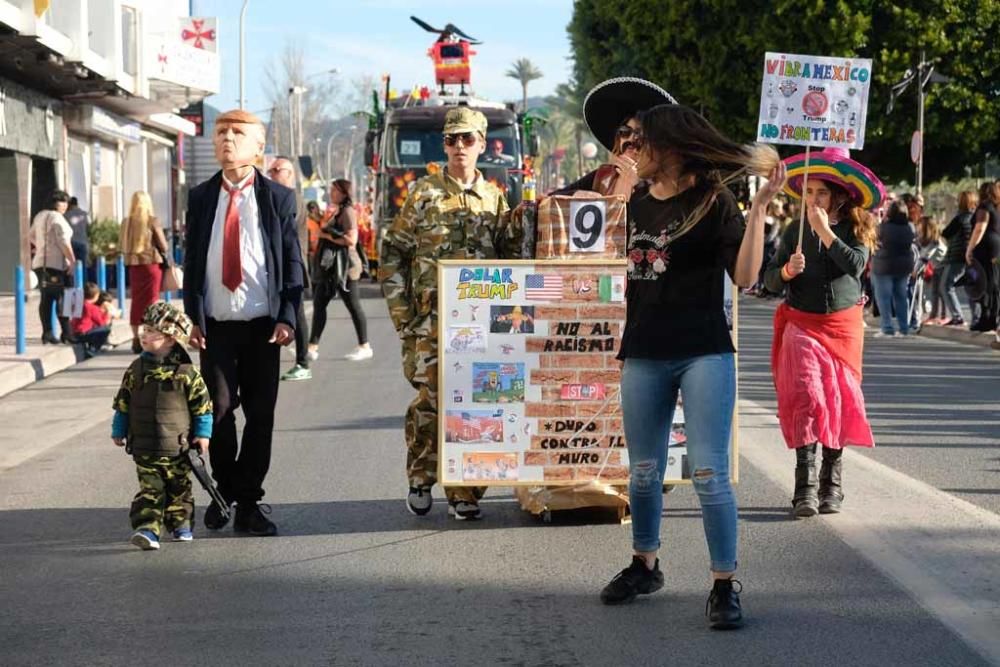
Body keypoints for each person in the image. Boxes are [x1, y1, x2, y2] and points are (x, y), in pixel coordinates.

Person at [598, 102, 784, 631]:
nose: (633, 149)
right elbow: (596, 242)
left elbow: (745, 276)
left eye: (641, 141)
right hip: (644, 350)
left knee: (707, 472)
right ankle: (645, 565)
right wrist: (619, 183)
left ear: (671, 147)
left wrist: (762, 209)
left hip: (703, 350)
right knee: (643, 472)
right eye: (629, 140)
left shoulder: (714, 201)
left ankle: (724, 584)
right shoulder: (633, 201)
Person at [380, 107, 521, 521]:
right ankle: (422, 477)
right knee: (431, 400)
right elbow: (393, 253)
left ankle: (466, 489)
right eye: (451, 140)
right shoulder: (423, 193)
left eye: (467, 139)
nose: (459, 147)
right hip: (430, 324)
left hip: (479, 327)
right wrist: (403, 316)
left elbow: (509, 260)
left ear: (482, 144)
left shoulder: (495, 198)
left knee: (479, 403)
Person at [182, 109, 303, 537]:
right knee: (217, 412)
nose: (226, 140)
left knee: (261, 414)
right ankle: (224, 491)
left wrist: (289, 316)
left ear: (258, 146)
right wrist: (191, 315)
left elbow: (291, 262)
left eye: (237, 133)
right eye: (220, 133)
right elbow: (193, 261)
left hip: (262, 326)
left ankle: (247, 500)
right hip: (215, 325)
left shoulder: (277, 198)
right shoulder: (200, 197)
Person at [764, 146, 884, 524]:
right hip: (801, 323)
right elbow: (766, 279)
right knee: (808, 396)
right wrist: (785, 271)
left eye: (822, 192)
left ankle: (832, 483)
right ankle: (804, 486)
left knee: (838, 401)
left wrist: (825, 232)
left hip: (843, 327)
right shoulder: (792, 230)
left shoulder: (856, 227)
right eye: (809, 192)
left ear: (838, 195)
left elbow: (855, 266)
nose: (814, 199)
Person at [111, 302, 213, 550]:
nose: (144, 335)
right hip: (145, 448)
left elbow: (203, 407)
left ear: (170, 339)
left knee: (179, 489)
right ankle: (148, 529)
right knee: (151, 490)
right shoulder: (136, 369)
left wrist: (202, 434)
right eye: (143, 330)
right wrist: (118, 430)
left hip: (177, 448)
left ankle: (181, 525)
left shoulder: (187, 373)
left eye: (152, 331)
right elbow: (123, 402)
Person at [556, 77, 677, 198]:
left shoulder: (662, 184)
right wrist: (576, 194)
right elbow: (551, 198)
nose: (631, 139)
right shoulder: (603, 175)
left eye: (639, 134)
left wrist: (637, 188)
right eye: (625, 132)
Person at [308, 179, 372, 363]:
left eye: (335, 190)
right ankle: (312, 347)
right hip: (332, 268)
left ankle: (365, 346)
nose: (331, 193)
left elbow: (351, 240)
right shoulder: (337, 210)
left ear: (344, 193)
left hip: (345, 268)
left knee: (354, 306)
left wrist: (326, 235)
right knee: (319, 304)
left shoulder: (348, 212)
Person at [266, 156, 314, 383]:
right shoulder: (277, 197)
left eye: (277, 170)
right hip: (281, 264)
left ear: (289, 174)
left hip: (292, 264)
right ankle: (300, 358)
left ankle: (303, 362)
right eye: (270, 170)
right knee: (292, 312)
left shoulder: (292, 198)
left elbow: (285, 233)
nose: (272, 174)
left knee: (296, 313)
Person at [120, 191, 170, 353]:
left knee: (137, 300)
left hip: (134, 266)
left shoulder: (126, 222)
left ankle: (136, 337)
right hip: (151, 264)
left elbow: (122, 245)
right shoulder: (152, 221)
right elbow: (163, 246)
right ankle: (152, 337)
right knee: (152, 300)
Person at [28, 190, 75, 344]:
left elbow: (31, 236)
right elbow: (63, 242)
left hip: (40, 263)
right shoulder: (58, 219)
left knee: (46, 299)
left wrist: (41, 246)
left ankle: (47, 332)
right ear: (57, 204)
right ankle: (67, 332)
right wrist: (72, 260)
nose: (65, 206)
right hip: (56, 265)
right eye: (63, 202)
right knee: (64, 298)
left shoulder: (40, 216)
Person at [870, 199, 916, 337]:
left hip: (883, 265)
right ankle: (904, 328)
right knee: (902, 297)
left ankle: (887, 327)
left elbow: (874, 241)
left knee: (884, 298)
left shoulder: (883, 227)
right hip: (903, 265)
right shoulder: (910, 227)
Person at [966, 181, 1000, 332]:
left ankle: (987, 318)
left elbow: (980, 227)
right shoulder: (996, 208)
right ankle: (991, 317)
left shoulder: (984, 207)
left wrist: (970, 248)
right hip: (995, 245)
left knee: (984, 281)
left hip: (985, 246)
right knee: (992, 281)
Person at [939, 191, 977, 326]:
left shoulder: (960, 218)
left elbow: (945, 233)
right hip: (972, 258)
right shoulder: (977, 217)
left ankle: (957, 316)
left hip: (957, 257)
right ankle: (976, 318)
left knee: (945, 285)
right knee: (971, 287)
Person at [915, 216, 946, 325]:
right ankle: (934, 315)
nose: (918, 228)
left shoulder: (934, 242)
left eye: (921, 226)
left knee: (942, 292)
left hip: (943, 267)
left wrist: (915, 270)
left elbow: (925, 257)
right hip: (937, 267)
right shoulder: (927, 240)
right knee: (935, 292)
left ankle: (943, 315)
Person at [71, 281, 113, 357]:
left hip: (74, 332)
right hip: (83, 333)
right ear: (96, 296)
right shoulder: (92, 308)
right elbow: (102, 323)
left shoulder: (79, 304)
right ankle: (93, 349)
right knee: (106, 329)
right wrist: (107, 313)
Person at [65, 197, 90, 278]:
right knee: (83, 266)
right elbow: (88, 228)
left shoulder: (66, 215)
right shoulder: (84, 214)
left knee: (73, 264)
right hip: (83, 242)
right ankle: (83, 284)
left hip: (71, 242)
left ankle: (74, 283)